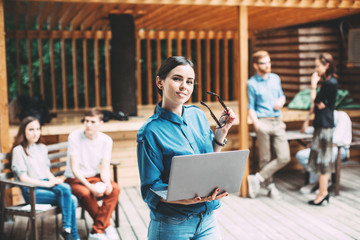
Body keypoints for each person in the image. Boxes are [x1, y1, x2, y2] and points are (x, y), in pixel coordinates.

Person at [137, 56, 236, 240]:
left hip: (207, 220)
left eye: (189, 81)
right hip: (171, 225)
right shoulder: (150, 132)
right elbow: (151, 188)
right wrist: (184, 198)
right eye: (177, 79)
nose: (184, 86)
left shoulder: (197, 115)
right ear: (160, 82)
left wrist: (221, 133)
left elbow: (210, 160)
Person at [11, 116, 79, 240]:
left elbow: (46, 172)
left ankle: (67, 229)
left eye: (38, 129)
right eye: (31, 129)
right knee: (72, 199)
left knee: (65, 188)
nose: (35, 133)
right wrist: (47, 184)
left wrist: (53, 180)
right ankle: (71, 235)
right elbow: (23, 178)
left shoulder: (41, 148)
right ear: (23, 131)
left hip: (46, 186)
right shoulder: (18, 150)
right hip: (31, 191)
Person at [64, 109, 120, 240]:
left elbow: (105, 168)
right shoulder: (74, 137)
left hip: (94, 176)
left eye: (92, 122)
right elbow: (75, 169)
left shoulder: (106, 140)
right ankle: (107, 226)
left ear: (101, 123)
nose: (88, 124)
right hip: (74, 178)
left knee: (114, 188)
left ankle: (97, 230)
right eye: (86, 121)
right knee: (86, 193)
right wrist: (91, 188)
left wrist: (106, 183)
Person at [246, 50, 291, 200]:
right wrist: (257, 124)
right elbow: (250, 106)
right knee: (265, 158)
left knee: (284, 156)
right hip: (262, 121)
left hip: (277, 122)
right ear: (256, 65)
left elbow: (281, 95)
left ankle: (257, 178)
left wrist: (282, 101)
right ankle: (270, 186)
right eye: (264, 63)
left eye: (269, 62)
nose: (268, 65)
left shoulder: (275, 78)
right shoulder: (251, 83)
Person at [300, 52, 338, 206]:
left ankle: (323, 193)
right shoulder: (329, 82)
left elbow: (315, 101)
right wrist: (317, 104)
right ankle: (323, 192)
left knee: (323, 161)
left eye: (318, 66)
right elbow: (317, 104)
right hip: (322, 124)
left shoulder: (330, 83)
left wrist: (313, 85)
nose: (315, 69)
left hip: (324, 126)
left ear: (326, 65)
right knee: (320, 159)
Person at [297, 110, 352, 194]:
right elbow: (305, 130)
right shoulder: (322, 118)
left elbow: (335, 141)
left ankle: (321, 182)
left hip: (340, 150)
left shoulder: (342, 116)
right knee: (301, 155)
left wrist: (315, 146)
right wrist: (309, 115)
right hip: (323, 148)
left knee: (319, 156)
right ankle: (320, 181)